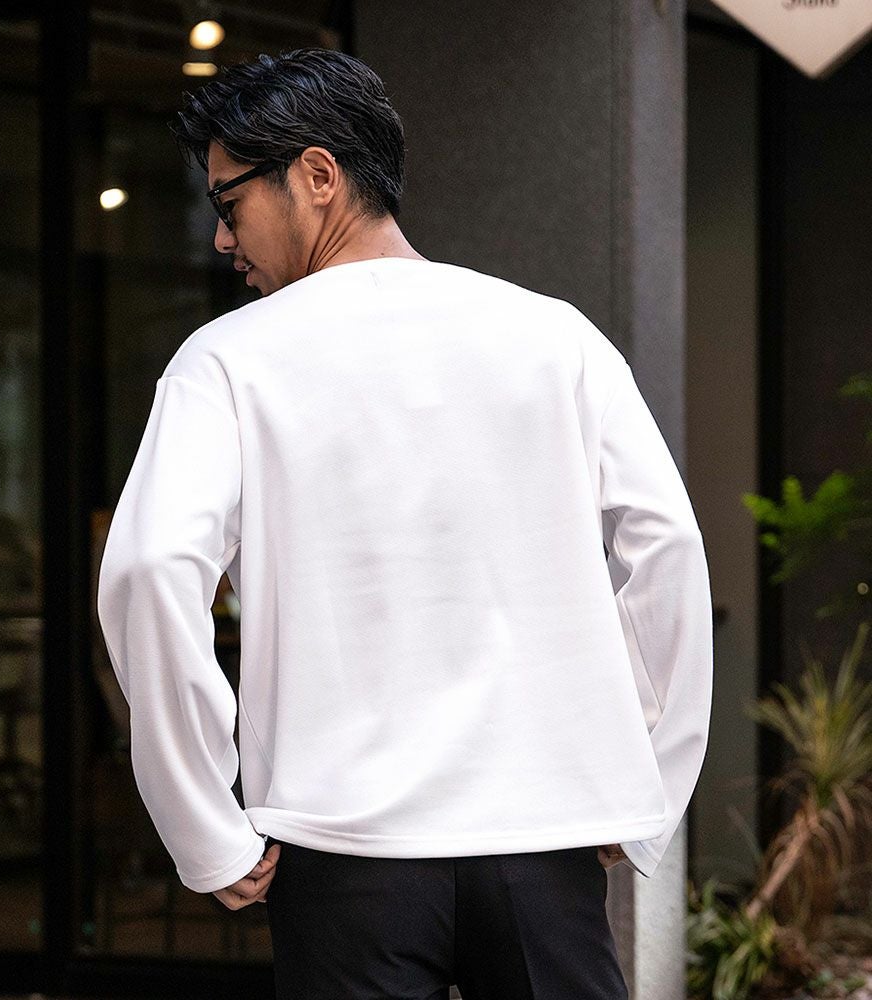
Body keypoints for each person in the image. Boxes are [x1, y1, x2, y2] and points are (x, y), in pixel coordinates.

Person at [96, 47, 713, 1000]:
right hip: (542, 840)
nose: (221, 239)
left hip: (343, 854)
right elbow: (667, 547)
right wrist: (642, 789)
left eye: (229, 203)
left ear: (317, 175)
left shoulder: (227, 360)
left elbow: (147, 570)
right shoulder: (556, 337)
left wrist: (205, 828)